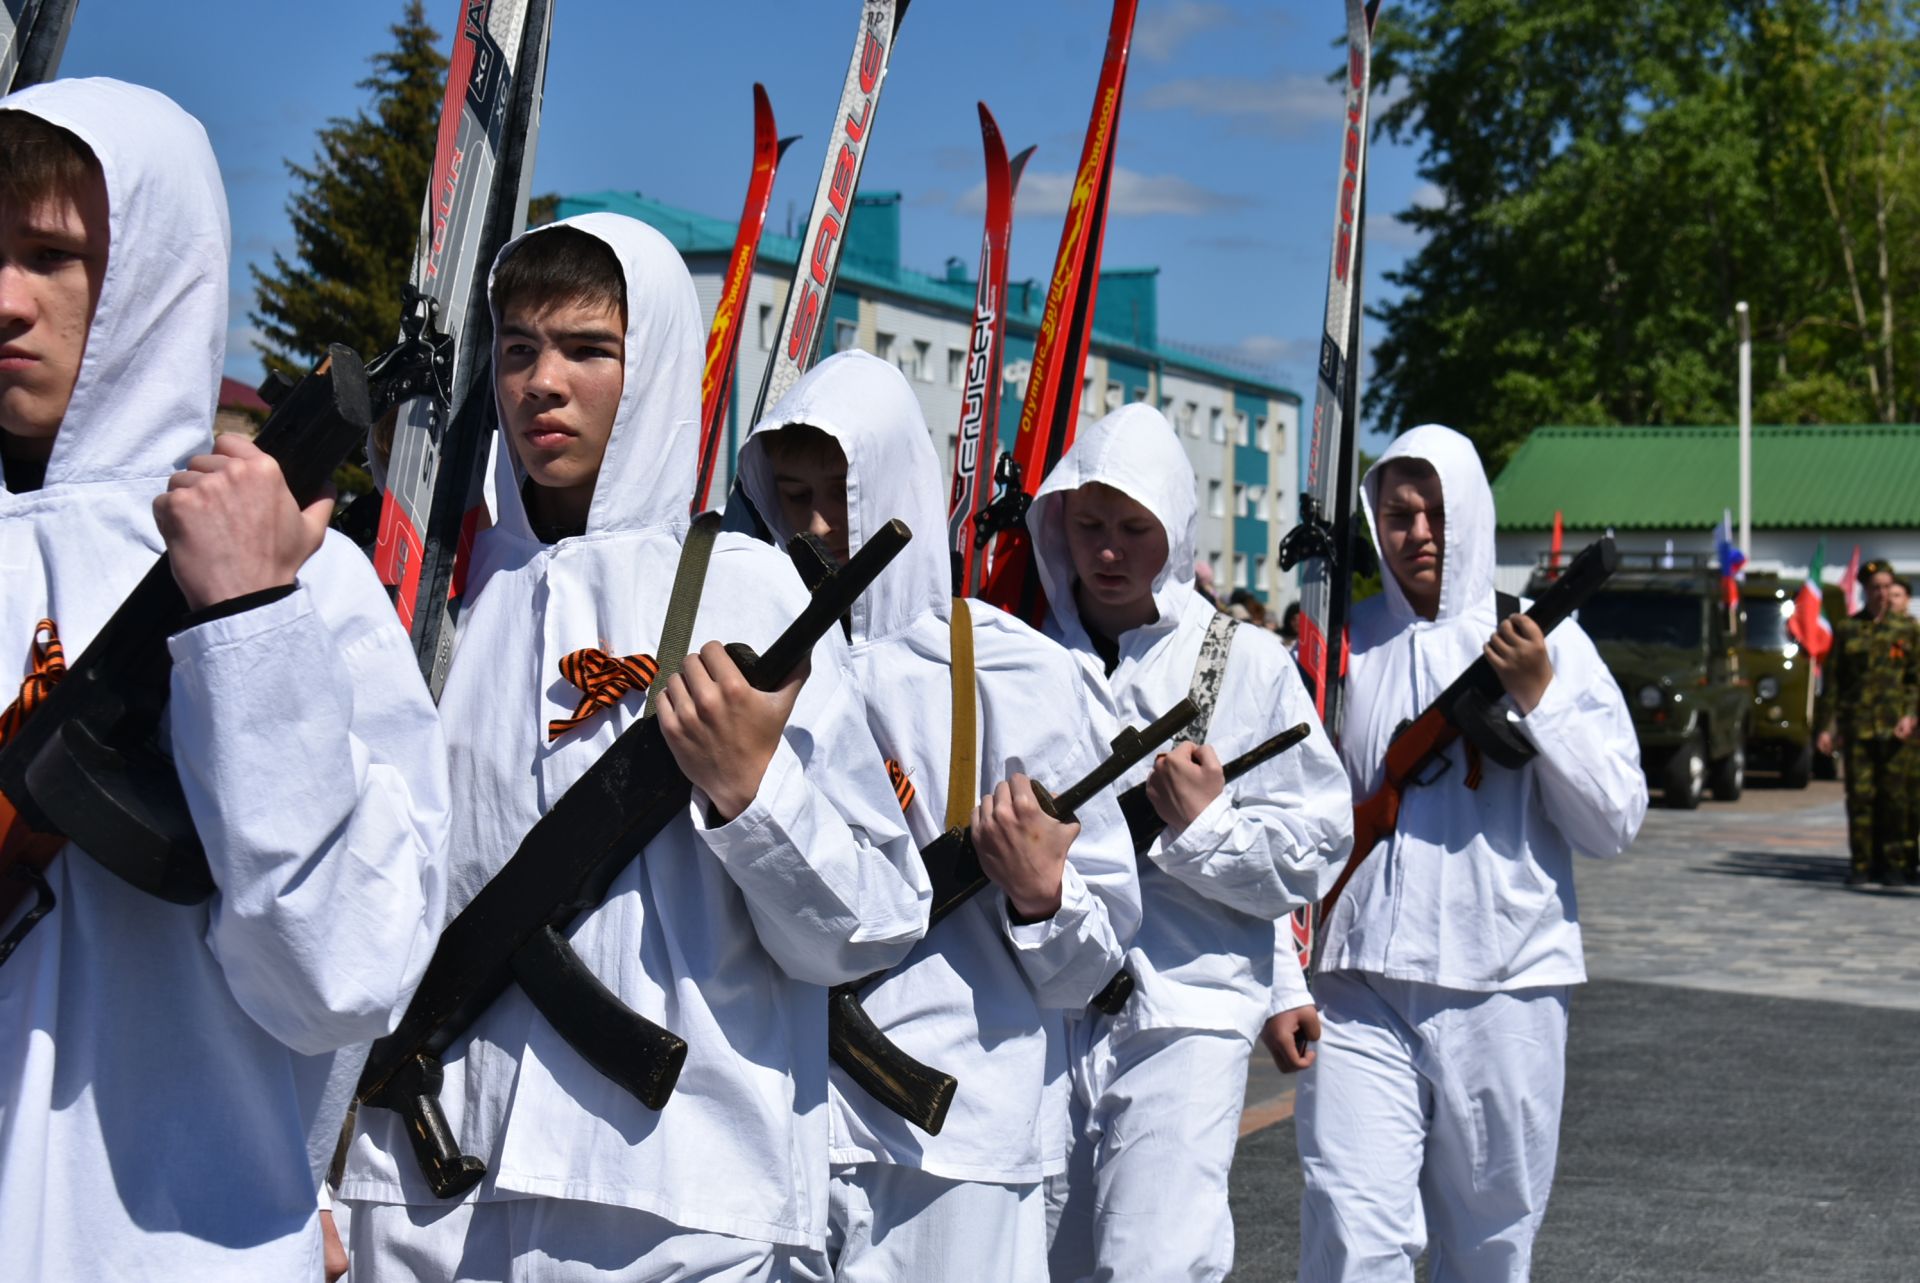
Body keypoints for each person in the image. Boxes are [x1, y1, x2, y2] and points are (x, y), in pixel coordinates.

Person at [336, 215, 928, 1281]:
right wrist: (323, 1150)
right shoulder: (432, 599)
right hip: (428, 1183)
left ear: (651, 367)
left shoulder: (748, 589)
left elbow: (875, 918)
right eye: (518, 349)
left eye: (585, 349)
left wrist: (757, 792)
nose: (541, 384)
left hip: (678, 1193)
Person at [0, 80, 452, 1279]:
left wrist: (251, 621)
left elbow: (346, 970)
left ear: (151, 274)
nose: (5, 297)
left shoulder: (312, 581)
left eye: (52, 255)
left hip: (176, 1242)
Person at [733, 350, 1140, 1283]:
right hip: (770, 1125)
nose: (820, 525)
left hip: (957, 1146)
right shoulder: (743, 654)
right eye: (791, 495)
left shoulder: (1020, 671)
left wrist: (1044, 895)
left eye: (842, 491)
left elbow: (1098, 959)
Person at [1294, 424, 1646, 1281]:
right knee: (1351, 1225)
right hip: (1358, 979)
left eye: (1437, 512)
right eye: (1399, 513)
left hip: (1509, 983)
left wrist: (1540, 697)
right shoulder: (1336, 644)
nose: (1419, 532)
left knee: (1491, 1243)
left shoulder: (1547, 645)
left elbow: (1614, 819)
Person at [1024, 403, 1353, 1282]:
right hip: (1045, 1015)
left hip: (1189, 1012)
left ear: (1175, 529)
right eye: (1088, 523)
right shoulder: (1022, 653)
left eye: (1135, 527)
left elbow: (1318, 842)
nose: (1107, 549)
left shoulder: (1243, 661)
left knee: (1154, 1263)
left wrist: (1207, 828)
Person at [1816, 560, 1920, 887]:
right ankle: (1861, 863)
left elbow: (1916, 681)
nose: (1882, 593)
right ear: (1866, 590)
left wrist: (1911, 716)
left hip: (1896, 729)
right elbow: (1834, 683)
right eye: (1876, 587)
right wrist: (1826, 727)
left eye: (1887, 587)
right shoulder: (1848, 629)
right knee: (1860, 797)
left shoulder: (1908, 630)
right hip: (1858, 726)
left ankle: (1894, 864)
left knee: (1895, 798)